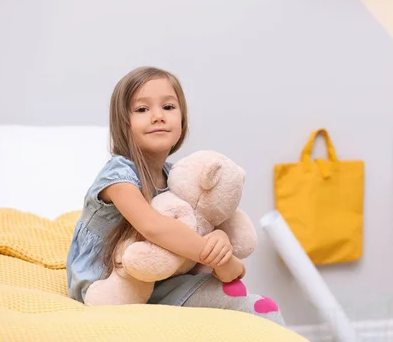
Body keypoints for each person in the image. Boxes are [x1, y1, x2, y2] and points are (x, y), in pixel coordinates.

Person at [66, 66, 285, 326]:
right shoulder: (118, 174)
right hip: (109, 285)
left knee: (260, 310)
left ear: (182, 118)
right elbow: (153, 227)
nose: (158, 116)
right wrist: (213, 255)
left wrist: (220, 242)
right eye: (142, 109)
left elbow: (196, 233)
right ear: (124, 123)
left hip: (162, 282)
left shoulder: (176, 178)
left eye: (168, 107)